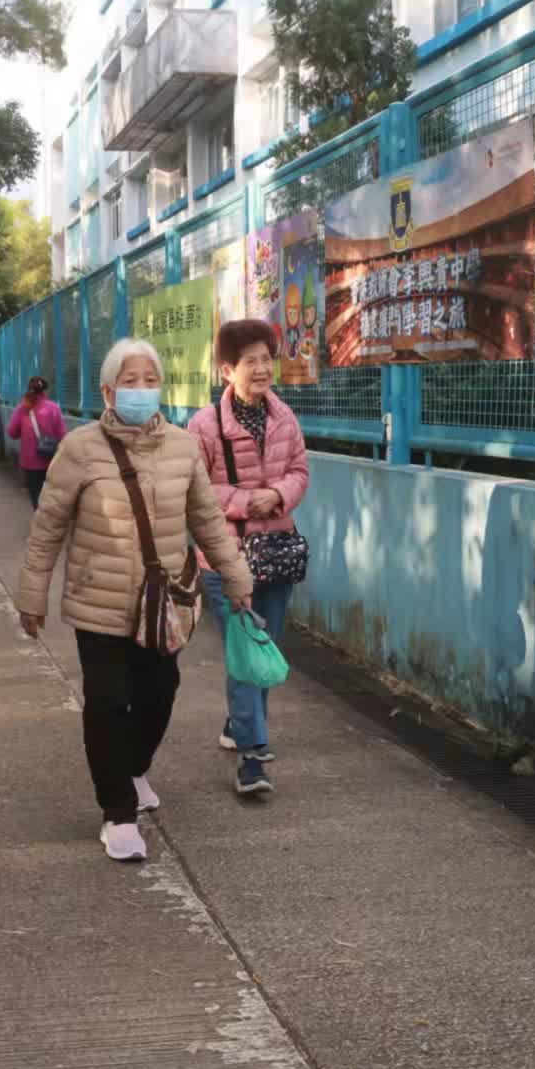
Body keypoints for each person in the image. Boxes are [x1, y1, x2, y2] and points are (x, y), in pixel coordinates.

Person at [18, 338, 251, 863]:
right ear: (107, 390)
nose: (142, 389)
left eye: (151, 379)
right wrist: (32, 593)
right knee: (107, 702)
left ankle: (133, 767)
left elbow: (208, 520)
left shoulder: (182, 446)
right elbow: (48, 525)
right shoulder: (80, 449)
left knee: (160, 692)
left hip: (160, 604)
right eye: (130, 380)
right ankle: (117, 812)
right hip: (96, 601)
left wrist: (236, 577)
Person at [187, 320, 311, 796]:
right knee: (245, 648)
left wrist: (278, 495)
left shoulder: (286, 418)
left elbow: (300, 470)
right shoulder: (203, 427)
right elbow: (196, 490)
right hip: (226, 559)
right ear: (227, 370)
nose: (262, 369)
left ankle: (238, 723)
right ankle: (252, 757)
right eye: (250, 361)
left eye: (267, 359)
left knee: (267, 644)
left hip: (276, 552)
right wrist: (247, 501)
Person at [6, 376, 68, 509]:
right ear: (44, 390)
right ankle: (51, 523)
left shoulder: (23, 408)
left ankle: (40, 521)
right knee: (51, 496)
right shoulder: (53, 408)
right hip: (51, 460)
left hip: (30, 464)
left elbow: (12, 432)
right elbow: (63, 435)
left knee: (36, 496)